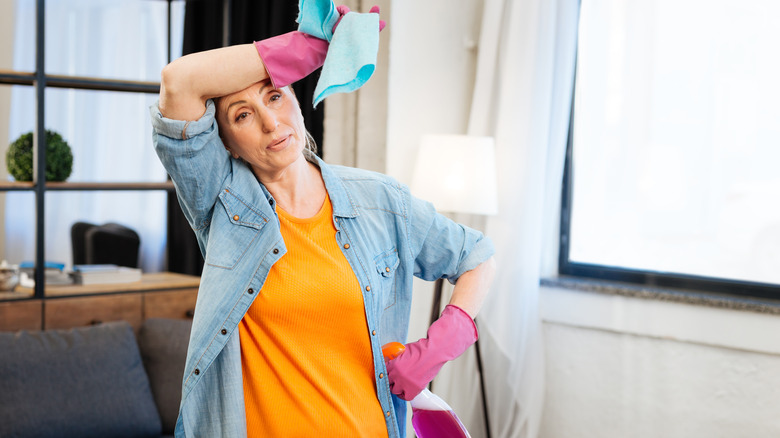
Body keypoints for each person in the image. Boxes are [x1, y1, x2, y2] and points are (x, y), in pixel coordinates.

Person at [150, 6, 495, 438]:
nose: (270, 123)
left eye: (274, 95)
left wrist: (445, 340)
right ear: (228, 145)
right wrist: (310, 46)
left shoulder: (380, 201)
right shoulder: (223, 200)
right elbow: (179, 82)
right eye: (241, 115)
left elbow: (477, 255)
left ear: (295, 99)